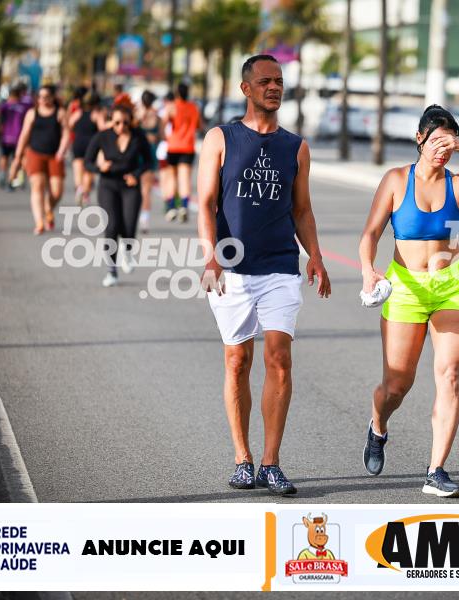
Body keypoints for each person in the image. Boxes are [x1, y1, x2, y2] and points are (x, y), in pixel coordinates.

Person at [358, 104, 459, 498]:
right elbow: (371, 233)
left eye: (449, 143)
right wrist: (367, 270)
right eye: (436, 141)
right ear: (419, 139)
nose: (442, 150)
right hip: (406, 288)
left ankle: (436, 471)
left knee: (450, 376)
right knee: (397, 384)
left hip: (453, 286)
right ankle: (378, 426)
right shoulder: (397, 180)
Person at [197, 54, 331, 495]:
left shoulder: (296, 147)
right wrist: (211, 256)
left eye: (279, 81)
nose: (274, 87)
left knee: (279, 358)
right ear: (246, 89)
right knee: (237, 361)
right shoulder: (220, 138)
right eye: (265, 81)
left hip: (280, 268)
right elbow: (205, 203)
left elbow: (302, 209)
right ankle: (243, 458)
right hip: (232, 268)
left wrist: (315, 256)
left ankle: (271, 462)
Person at [84, 104, 153, 288]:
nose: (121, 126)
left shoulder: (138, 136)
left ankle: (127, 250)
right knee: (112, 226)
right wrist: (100, 168)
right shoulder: (102, 136)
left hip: (130, 186)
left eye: (125, 122)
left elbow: (149, 161)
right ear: (111, 122)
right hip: (108, 185)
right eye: (116, 123)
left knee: (129, 226)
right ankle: (111, 271)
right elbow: (87, 161)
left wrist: (136, 175)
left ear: (130, 121)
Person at [9, 84, 70, 234]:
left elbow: (66, 134)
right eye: (40, 97)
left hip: (55, 155)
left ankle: (48, 208)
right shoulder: (32, 113)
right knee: (37, 187)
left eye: (46, 97)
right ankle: (39, 222)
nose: (43, 100)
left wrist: (61, 151)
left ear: (53, 97)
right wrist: (18, 157)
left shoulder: (60, 113)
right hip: (35, 153)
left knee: (57, 191)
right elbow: (24, 135)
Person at [163, 82, 200, 223]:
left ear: (177, 93)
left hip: (173, 146)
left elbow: (164, 123)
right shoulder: (193, 108)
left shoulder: (172, 107)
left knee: (172, 177)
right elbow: (198, 125)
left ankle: (172, 207)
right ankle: (184, 206)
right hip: (188, 147)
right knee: (185, 179)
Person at [69, 91, 105, 206]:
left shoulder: (78, 113)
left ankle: (79, 188)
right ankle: (85, 193)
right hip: (91, 145)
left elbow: (70, 124)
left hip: (78, 142)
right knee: (88, 171)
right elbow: (102, 129)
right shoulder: (96, 114)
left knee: (77, 169)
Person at [0, 84, 31, 190]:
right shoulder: (23, 107)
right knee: (18, 158)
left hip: (6, 136)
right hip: (18, 137)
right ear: (19, 95)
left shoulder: (5, 105)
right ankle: (17, 178)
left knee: (4, 156)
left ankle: (3, 175)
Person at [136, 90, 161, 233]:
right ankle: (144, 219)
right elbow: (162, 136)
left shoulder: (137, 114)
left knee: (133, 188)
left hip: (135, 152)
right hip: (150, 153)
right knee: (146, 190)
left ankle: (132, 215)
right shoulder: (156, 116)